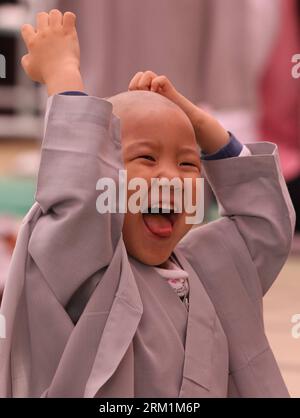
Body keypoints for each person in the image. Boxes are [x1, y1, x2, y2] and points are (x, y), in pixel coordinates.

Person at [0, 9, 295, 397]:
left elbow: (265, 222)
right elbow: (78, 200)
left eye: (188, 163)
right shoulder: (86, 275)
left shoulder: (211, 271)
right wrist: (64, 76)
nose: (171, 177)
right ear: (105, 175)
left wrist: (195, 120)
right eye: (146, 158)